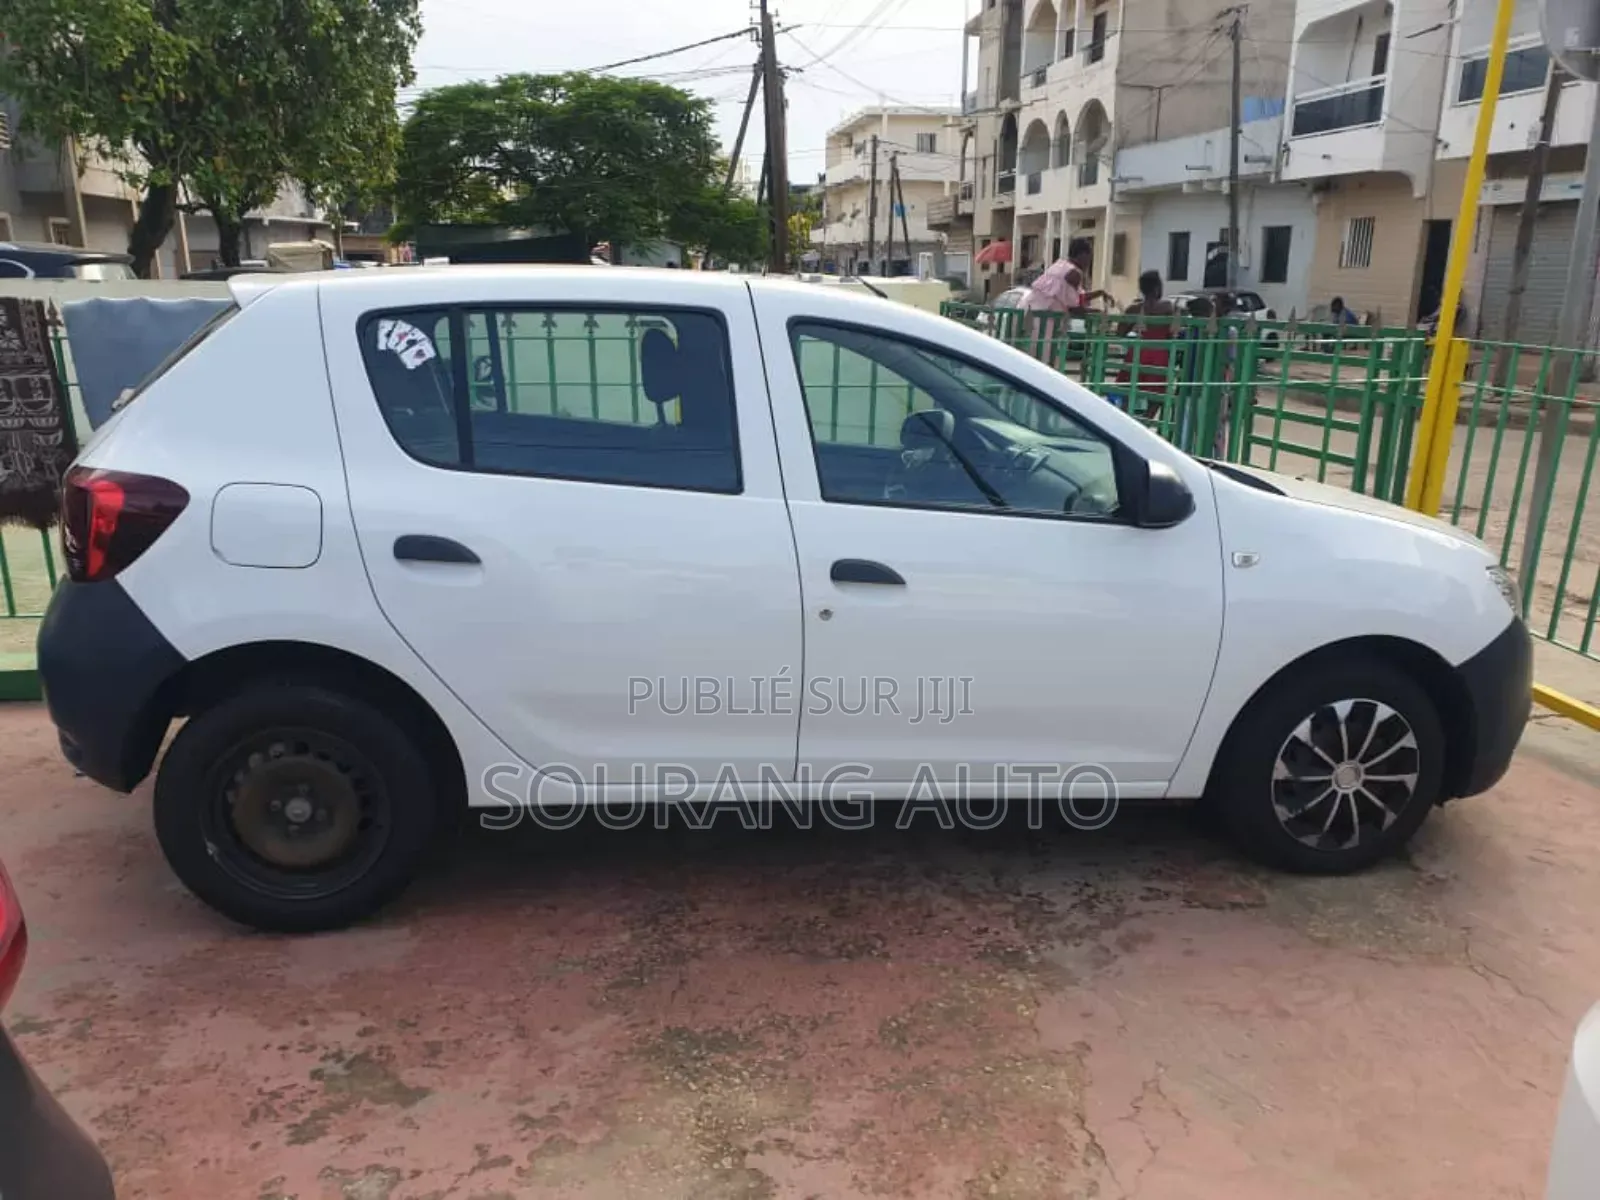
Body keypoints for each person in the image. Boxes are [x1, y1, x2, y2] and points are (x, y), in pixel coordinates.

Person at [1020, 238, 1112, 364]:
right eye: (1089, 258)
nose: (1089, 262)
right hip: (1042, 320)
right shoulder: (1075, 273)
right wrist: (1099, 312)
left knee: (1028, 359)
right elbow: (1075, 308)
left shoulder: (1060, 265)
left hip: (1028, 312)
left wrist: (1099, 293)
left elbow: (1077, 297)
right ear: (1083, 255)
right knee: (1044, 362)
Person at [1110, 270, 1176, 415]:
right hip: (1159, 354)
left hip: (1138, 352)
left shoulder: (1134, 309)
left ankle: (1125, 420)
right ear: (1157, 287)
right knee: (1157, 396)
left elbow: (1120, 332)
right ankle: (1145, 425)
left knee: (1128, 391)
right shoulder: (1167, 307)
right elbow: (1173, 333)